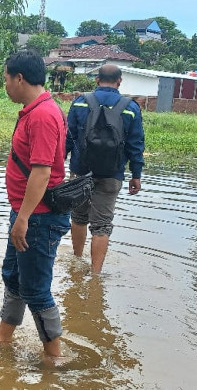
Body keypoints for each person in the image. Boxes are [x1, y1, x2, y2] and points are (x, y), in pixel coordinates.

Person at [0, 50, 70, 358]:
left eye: (6, 79)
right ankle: (3, 338)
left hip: (37, 218)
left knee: (36, 289)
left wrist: (23, 218)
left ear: (19, 78)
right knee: (13, 276)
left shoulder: (42, 115)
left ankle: (54, 358)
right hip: (26, 214)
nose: (5, 86)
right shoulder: (34, 109)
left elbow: (42, 172)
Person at [66, 64, 145, 274]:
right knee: (102, 226)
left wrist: (58, 165)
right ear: (119, 81)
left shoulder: (81, 101)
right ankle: (95, 275)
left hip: (80, 171)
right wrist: (136, 175)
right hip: (112, 174)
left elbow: (68, 137)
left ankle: (76, 261)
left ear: (96, 80)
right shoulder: (131, 107)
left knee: (79, 218)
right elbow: (136, 144)